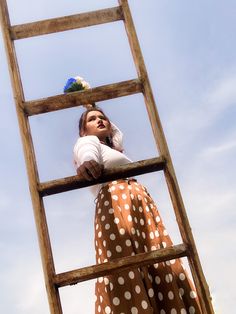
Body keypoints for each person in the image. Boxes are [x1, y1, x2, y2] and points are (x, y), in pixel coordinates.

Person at [73, 106, 203, 314]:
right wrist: (88, 162)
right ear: (83, 131)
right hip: (116, 203)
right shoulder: (88, 142)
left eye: (103, 117)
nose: (100, 120)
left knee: (156, 260)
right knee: (125, 265)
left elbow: (116, 134)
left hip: (137, 204)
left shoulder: (112, 149)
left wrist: (91, 107)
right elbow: (86, 152)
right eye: (92, 119)